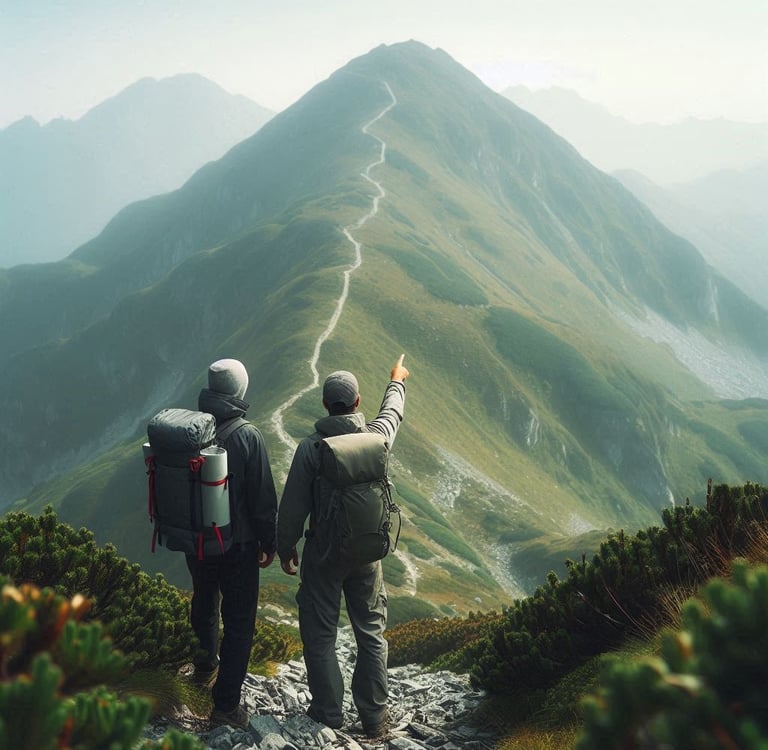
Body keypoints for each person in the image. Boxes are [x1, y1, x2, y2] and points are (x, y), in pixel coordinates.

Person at [277, 354, 410, 739]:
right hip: (367, 554)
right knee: (370, 632)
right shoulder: (377, 437)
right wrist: (397, 379)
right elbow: (393, 412)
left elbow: (293, 508)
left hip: (323, 555)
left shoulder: (311, 449)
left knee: (321, 633)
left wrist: (286, 548)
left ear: (325, 405)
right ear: (356, 403)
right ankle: (374, 717)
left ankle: (327, 713)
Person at [187, 358, 278, 729]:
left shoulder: (190, 429)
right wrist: (269, 542)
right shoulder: (246, 435)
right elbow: (263, 499)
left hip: (196, 541)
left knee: (204, 601)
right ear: (239, 391)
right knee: (239, 624)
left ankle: (203, 668)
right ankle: (225, 707)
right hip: (237, 546)